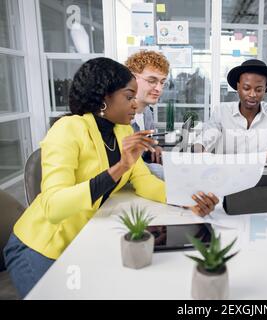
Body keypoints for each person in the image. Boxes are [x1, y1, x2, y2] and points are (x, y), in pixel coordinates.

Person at [3, 57, 219, 298]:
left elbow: (143, 180)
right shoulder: (68, 129)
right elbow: (53, 206)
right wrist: (119, 167)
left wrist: (187, 199)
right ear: (105, 98)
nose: (134, 105)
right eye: (128, 97)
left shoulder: (122, 130)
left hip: (84, 240)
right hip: (41, 247)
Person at [193, 59, 267, 162]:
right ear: (238, 87)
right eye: (246, 88)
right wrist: (200, 151)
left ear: (265, 89)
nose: (252, 94)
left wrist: (258, 158)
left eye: (259, 90)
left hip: (262, 174)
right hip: (227, 174)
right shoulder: (222, 111)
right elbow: (203, 139)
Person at [125, 50, 169, 180]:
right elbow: (130, 167)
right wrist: (171, 172)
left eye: (162, 82)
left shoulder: (147, 113)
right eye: (152, 80)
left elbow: (147, 144)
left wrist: (155, 147)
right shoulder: (120, 118)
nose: (159, 89)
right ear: (132, 79)